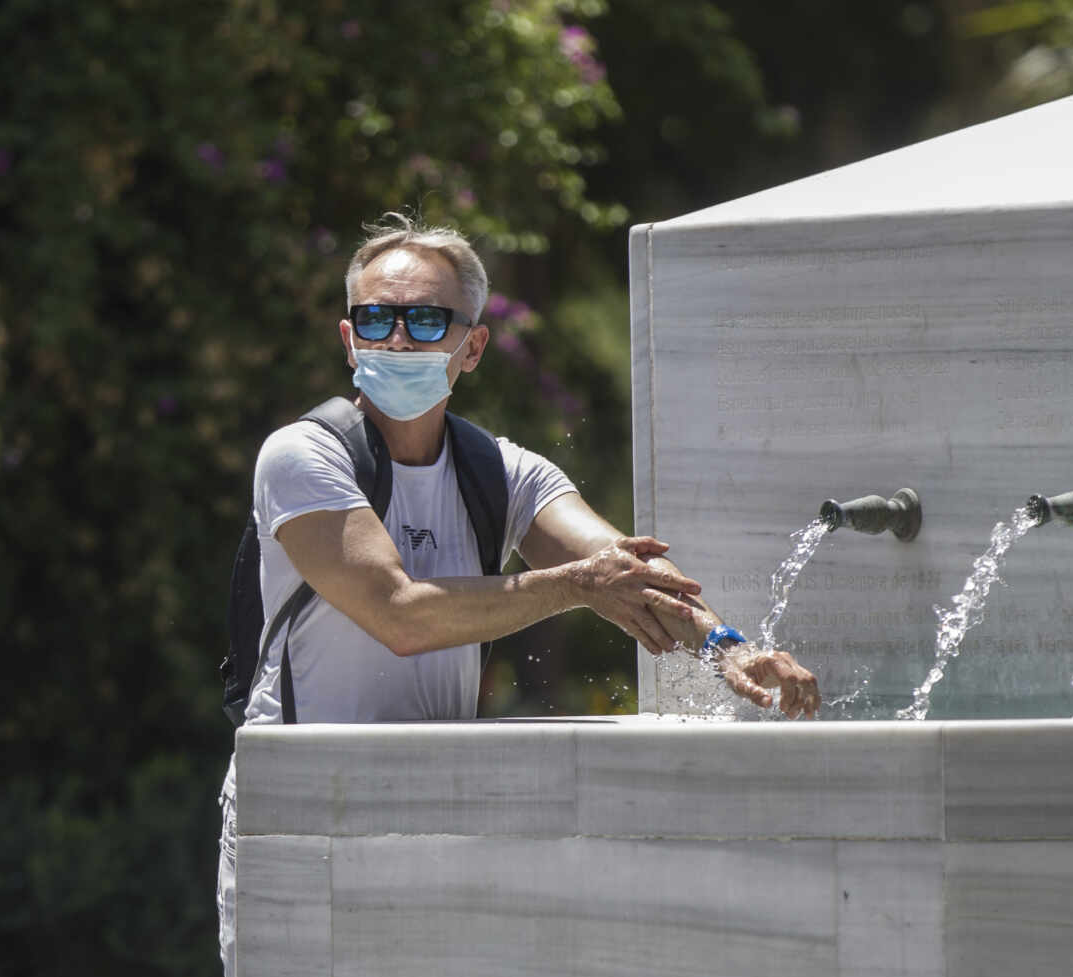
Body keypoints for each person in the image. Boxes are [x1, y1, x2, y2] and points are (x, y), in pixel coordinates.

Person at [216, 213, 820, 973]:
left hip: (439, 804)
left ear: (471, 346)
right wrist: (573, 586)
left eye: (425, 320)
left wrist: (730, 646)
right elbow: (399, 615)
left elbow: (623, 568)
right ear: (348, 339)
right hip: (298, 806)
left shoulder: (498, 471)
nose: (396, 340)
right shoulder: (302, 455)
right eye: (375, 318)